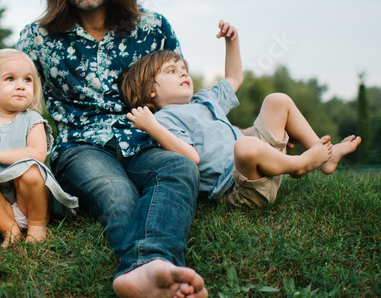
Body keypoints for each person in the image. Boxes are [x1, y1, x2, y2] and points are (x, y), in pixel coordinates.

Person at [17, 0, 207, 298]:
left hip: (147, 137)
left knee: (179, 170)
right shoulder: (39, 37)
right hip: (80, 147)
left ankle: (150, 272)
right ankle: (157, 273)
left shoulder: (152, 26)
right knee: (117, 193)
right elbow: (11, 88)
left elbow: (181, 92)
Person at [120, 20, 362, 208]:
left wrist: (231, 42)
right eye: (172, 71)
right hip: (242, 187)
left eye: (184, 69)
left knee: (277, 100)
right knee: (245, 146)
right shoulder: (165, 119)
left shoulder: (204, 99)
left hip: (264, 163)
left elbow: (234, 78)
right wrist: (152, 127)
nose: (184, 74)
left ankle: (323, 157)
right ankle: (300, 164)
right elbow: (192, 156)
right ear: (150, 90)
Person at [0, 48, 78, 247]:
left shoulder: (32, 120)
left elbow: (38, 153)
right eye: (11, 79)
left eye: (27, 80)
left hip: (28, 202)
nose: (21, 86)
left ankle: (37, 224)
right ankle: (9, 227)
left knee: (30, 171)